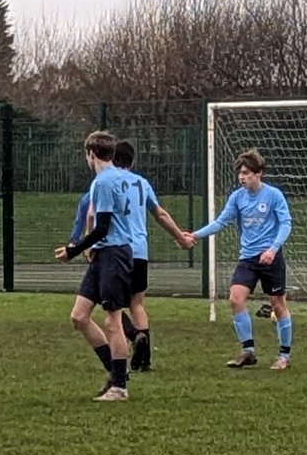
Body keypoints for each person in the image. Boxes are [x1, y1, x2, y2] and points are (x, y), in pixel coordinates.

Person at [182, 148, 293, 370]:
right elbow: (221, 221)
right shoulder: (237, 197)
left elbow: (286, 223)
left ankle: (284, 356)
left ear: (259, 173)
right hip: (248, 259)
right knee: (235, 298)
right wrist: (195, 235)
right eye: (240, 173)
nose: (242, 177)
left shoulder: (273, 195)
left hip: (270, 258)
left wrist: (272, 249)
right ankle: (248, 351)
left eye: (246, 172)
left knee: (277, 304)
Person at [54, 130, 135, 401]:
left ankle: (120, 387)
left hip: (114, 254)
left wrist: (73, 249)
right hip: (103, 255)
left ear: (91, 154)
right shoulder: (116, 178)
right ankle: (116, 371)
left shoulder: (102, 182)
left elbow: (102, 227)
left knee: (112, 321)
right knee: (79, 316)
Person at [112, 139, 190, 371]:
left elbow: (95, 214)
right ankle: (144, 359)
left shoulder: (108, 182)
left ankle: (134, 335)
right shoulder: (142, 183)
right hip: (140, 251)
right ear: (132, 160)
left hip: (117, 249)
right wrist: (180, 237)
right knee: (137, 303)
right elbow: (160, 214)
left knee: (109, 305)